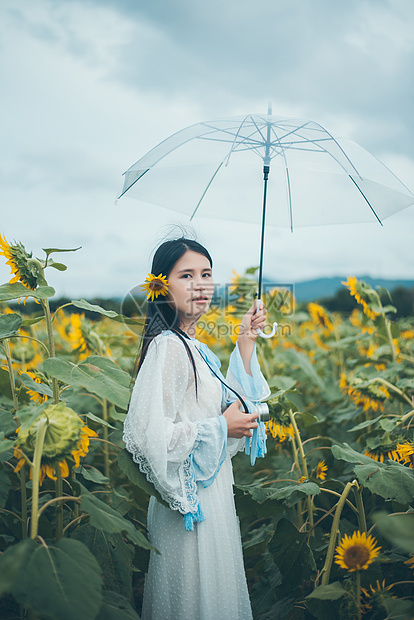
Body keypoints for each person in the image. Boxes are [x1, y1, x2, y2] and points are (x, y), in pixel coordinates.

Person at [123, 237, 270, 620]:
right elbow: (148, 436)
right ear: (161, 285)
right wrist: (220, 427)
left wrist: (245, 341)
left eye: (206, 274)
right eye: (186, 275)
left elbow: (231, 408)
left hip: (213, 492)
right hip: (192, 504)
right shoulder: (169, 347)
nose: (201, 285)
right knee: (193, 598)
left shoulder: (194, 347)